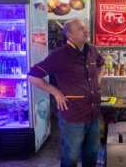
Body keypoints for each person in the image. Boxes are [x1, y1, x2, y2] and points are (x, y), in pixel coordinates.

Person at [28, 18, 105, 167]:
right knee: (70, 157)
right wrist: (56, 92)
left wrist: (99, 79)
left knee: (92, 154)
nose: (86, 30)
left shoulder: (92, 50)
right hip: (73, 117)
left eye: (85, 27)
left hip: (94, 114)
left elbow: (102, 65)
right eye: (81, 28)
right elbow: (32, 76)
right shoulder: (59, 55)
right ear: (70, 36)